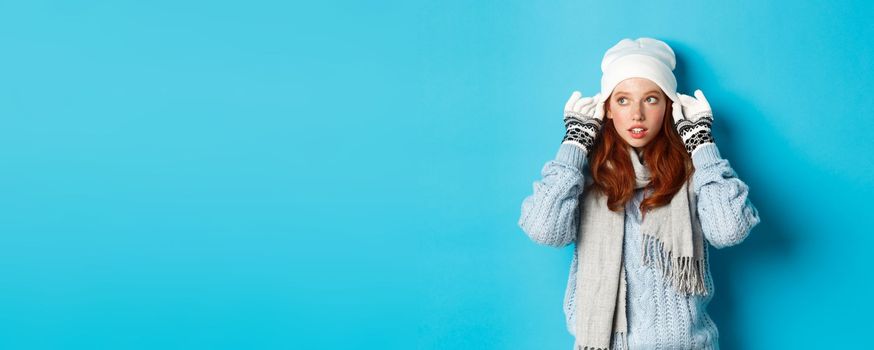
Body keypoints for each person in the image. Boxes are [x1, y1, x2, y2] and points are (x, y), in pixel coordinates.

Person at [517, 37, 761, 350]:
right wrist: (574, 145)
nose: (636, 114)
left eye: (651, 99)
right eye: (622, 100)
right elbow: (544, 231)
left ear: (669, 106)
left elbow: (730, 231)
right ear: (606, 108)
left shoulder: (693, 170)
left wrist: (702, 145)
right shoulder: (586, 174)